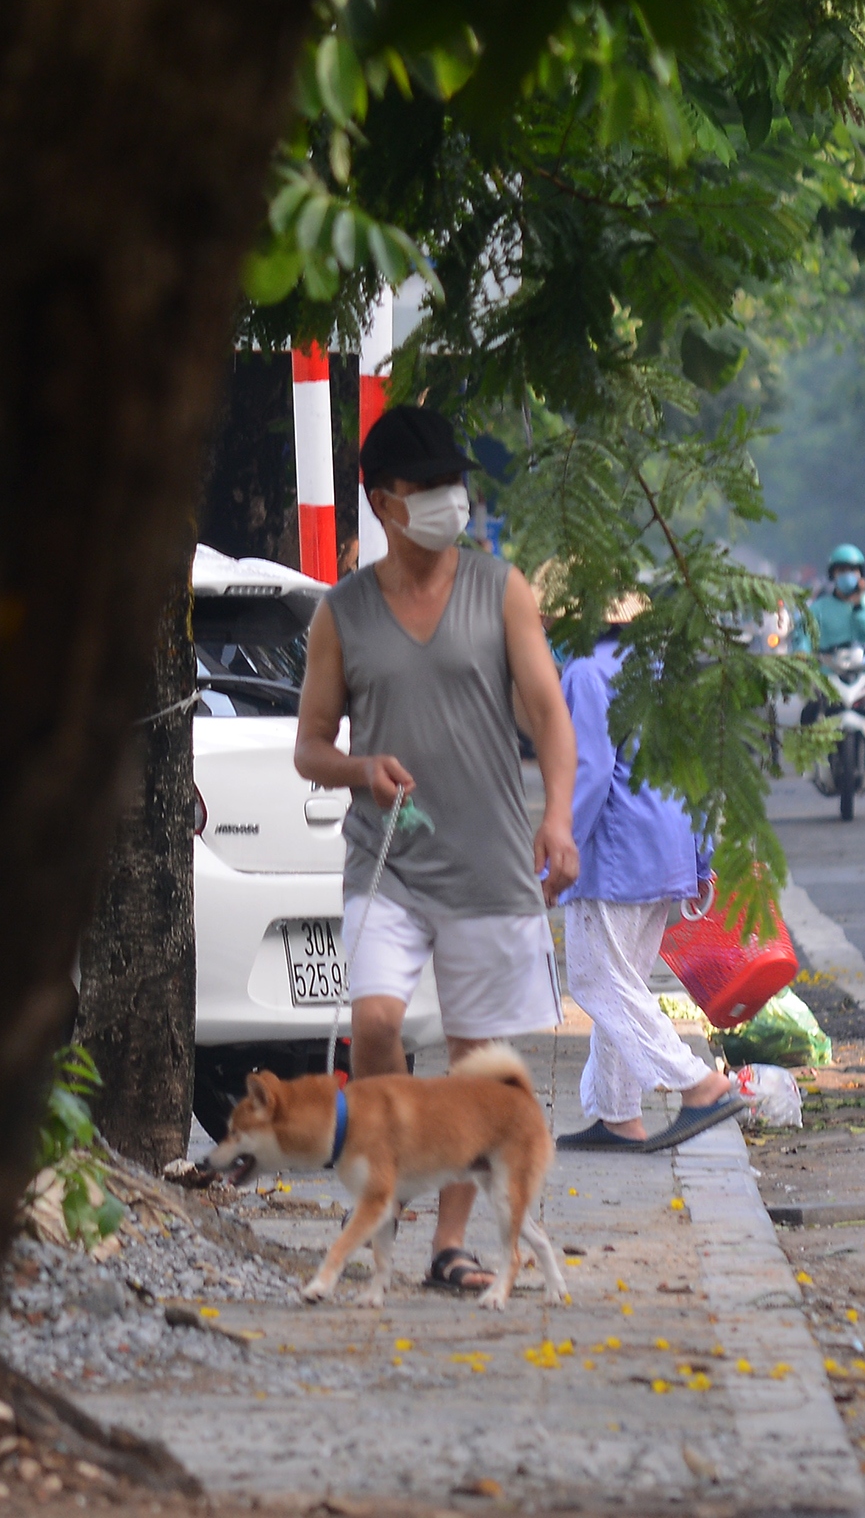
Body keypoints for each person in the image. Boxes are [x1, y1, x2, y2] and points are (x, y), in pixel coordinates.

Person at [294, 404, 579, 1294]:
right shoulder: (342, 613)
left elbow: (548, 715)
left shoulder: (503, 589)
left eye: (456, 484)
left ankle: (448, 1246)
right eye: (429, 488)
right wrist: (359, 769)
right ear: (384, 502)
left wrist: (558, 817)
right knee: (376, 1021)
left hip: (487, 864)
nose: (450, 500)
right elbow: (309, 748)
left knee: (471, 1066)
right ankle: (389, 1172)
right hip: (386, 858)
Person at [554, 601, 746, 1152]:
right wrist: (700, 857)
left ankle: (698, 1083)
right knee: (624, 986)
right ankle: (617, 1116)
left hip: (615, 853)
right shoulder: (662, 672)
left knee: (597, 981)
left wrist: (558, 850)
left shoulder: (585, 672)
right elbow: (700, 771)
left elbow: (587, 773)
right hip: (666, 850)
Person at [793, 543, 865, 773]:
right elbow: (803, 633)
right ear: (833, 574)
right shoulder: (819, 608)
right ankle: (810, 758)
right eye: (841, 571)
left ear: (861, 575)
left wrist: (859, 607)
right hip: (828, 672)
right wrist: (801, 653)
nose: (846, 576)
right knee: (809, 712)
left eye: (851, 570)